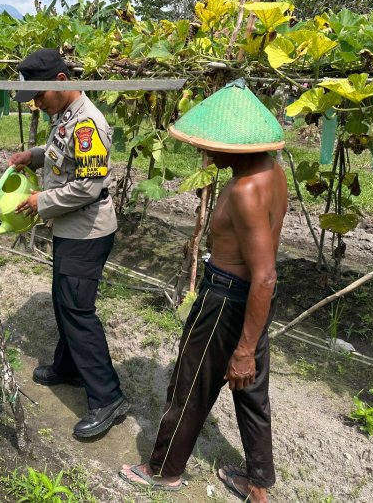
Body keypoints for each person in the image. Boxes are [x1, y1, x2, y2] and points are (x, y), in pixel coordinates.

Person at [119, 80, 287, 503]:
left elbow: (263, 275)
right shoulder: (272, 172)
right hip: (250, 302)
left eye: (214, 144)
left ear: (237, 145)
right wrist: (250, 339)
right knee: (251, 394)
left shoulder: (247, 190)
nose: (206, 151)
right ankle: (258, 484)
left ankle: (163, 470)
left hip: (228, 298)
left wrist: (244, 347)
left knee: (190, 384)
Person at [7, 48, 128, 438]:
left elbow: (89, 187)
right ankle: (69, 366)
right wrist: (36, 155)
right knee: (64, 300)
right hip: (70, 229)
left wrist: (41, 202)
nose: (37, 105)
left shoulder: (89, 123)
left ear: (60, 82)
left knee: (78, 310)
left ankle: (107, 397)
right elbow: (64, 156)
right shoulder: (65, 116)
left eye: (39, 97)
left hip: (87, 231)